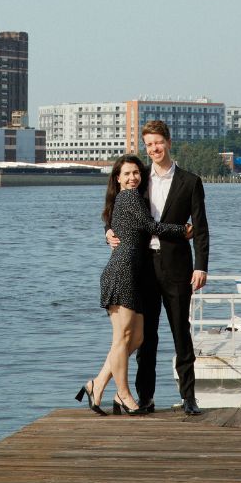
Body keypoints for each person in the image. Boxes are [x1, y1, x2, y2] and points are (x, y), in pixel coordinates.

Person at [107, 120, 210, 415]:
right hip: (143, 267)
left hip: (178, 267)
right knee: (145, 336)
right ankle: (145, 397)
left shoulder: (190, 182)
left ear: (168, 141)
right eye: (149, 144)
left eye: (158, 142)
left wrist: (201, 266)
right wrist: (108, 231)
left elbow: (201, 229)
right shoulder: (139, 180)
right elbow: (119, 209)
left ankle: (189, 396)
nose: (154, 149)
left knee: (181, 333)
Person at [76, 155, 187, 416]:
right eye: (126, 174)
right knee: (121, 338)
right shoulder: (128, 197)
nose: (132, 178)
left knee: (136, 337)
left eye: (136, 173)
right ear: (117, 178)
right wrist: (182, 230)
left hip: (134, 274)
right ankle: (123, 394)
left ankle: (98, 383)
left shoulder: (130, 198)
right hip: (121, 272)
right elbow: (151, 226)